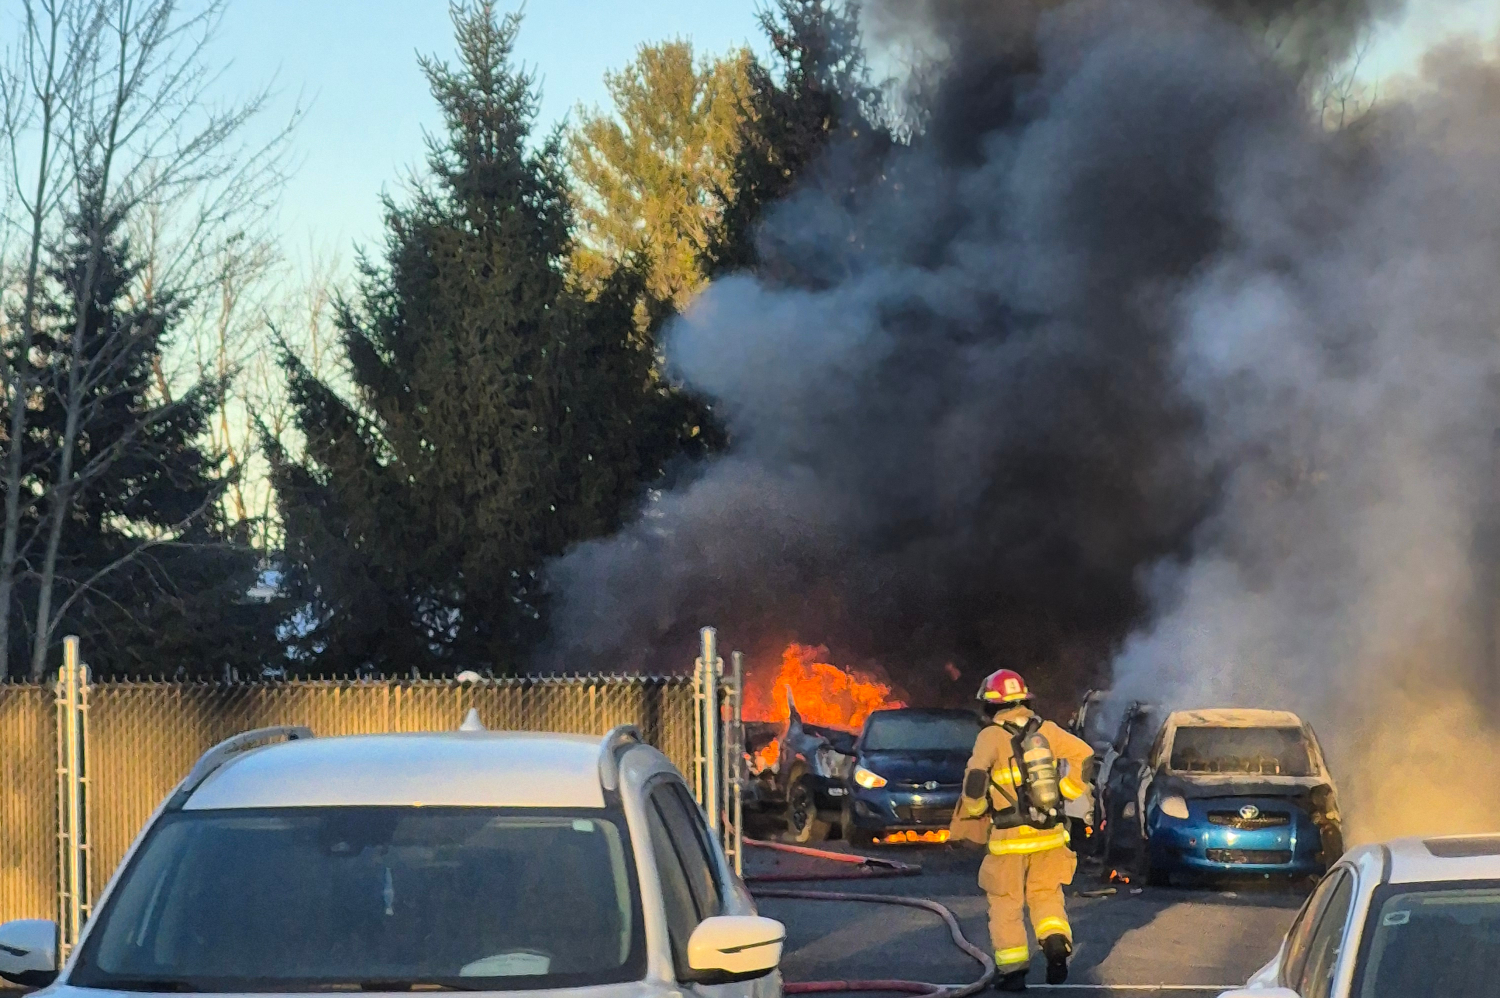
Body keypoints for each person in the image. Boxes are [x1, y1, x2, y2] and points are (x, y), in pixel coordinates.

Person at [954, 669, 1094, 992]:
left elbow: (975, 782)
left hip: (1008, 841)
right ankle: (1055, 942)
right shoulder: (1048, 730)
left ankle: (1014, 971)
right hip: (1050, 834)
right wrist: (1066, 792)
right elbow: (1085, 757)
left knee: (1006, 905)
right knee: (1047, 897)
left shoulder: (989, 737)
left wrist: (975, 812)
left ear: (990, 705)